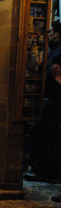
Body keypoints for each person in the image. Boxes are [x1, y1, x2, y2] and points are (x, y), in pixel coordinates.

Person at [29, 21, 61, 187]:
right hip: (50, 99)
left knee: (45, 136)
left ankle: (45, 171)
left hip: (55, 101)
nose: (47, 35)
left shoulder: (58, 53)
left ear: (57, 35)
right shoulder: (54, 51)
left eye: (50, 32)